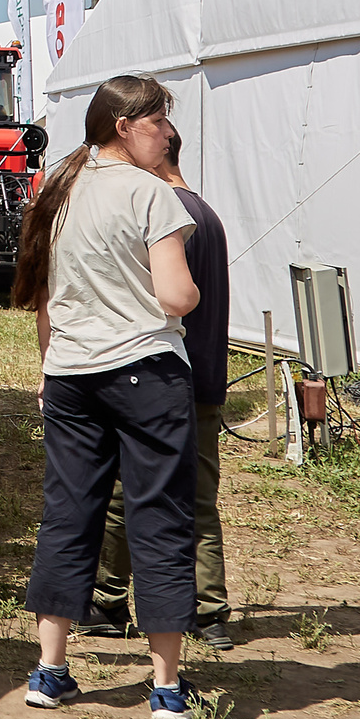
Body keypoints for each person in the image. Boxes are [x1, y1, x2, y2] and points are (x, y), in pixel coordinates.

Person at [9, 74, 203, 719]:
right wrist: (191, 293)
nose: (167, 134)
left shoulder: (58, 188)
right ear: (124, 126)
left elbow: (43, 298)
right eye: (159, 121)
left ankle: (49, 671)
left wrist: (49, 368)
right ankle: (167, 688)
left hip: (70, 374)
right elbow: (176, 297)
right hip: (146, 372)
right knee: (160, 517)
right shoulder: (151, 193)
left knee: (67, 516)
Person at [85, 123, 233, 650]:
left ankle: (106, 600)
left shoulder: (165, 212)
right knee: (199, 498)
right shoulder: (206, 213)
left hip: (161, 376)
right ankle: (209, 612)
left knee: (125, 494)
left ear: (159, 151)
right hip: (207, 377)